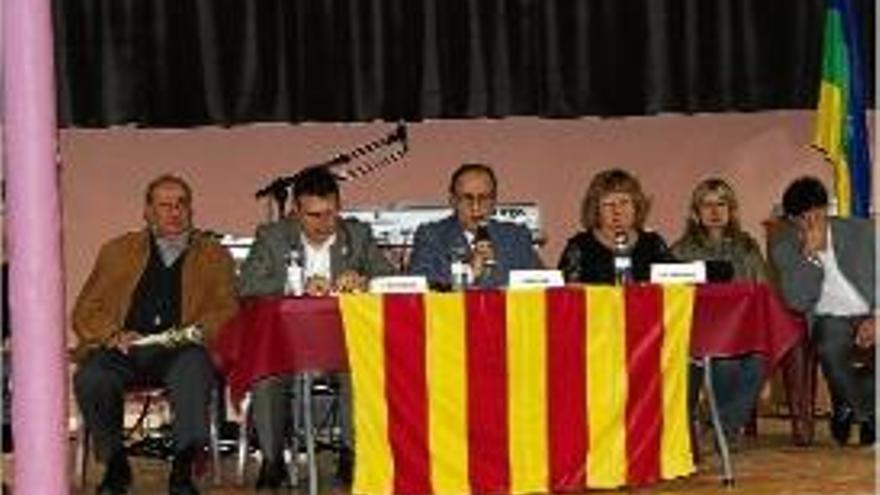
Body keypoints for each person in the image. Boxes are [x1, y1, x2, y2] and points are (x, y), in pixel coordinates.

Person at [73, 175, 238, 495]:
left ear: (191, 209)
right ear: (147, 212)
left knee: (194, 368)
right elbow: (85, 310)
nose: (175, 212)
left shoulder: (214, 255)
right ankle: (115, 463)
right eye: (165, 206)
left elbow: (227, 309)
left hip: (181, 348)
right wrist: (113, 334)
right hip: (124, 349)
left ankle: (182, 466)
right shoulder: (117, 251)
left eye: (181, 205)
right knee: (91, 377)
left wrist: (191, 333)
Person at [237, 165, 394, 490]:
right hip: (287, 343)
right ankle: (271, 459)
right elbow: (247, 286)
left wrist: (364, 281)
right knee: (267, 375)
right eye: (314, 215)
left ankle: (352, 454)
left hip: (344, 342)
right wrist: (296, 285)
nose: (325, 224)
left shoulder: (358, 235)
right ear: (296, 211)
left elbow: (390, 279)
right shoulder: (272, 236)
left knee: (363, 369)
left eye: (331, 213)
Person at [771, 176, 875, 446]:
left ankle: (847, 402)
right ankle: (869, 414)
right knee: (829, 347)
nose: (809, 223)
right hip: (830, 319)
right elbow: (797, 301)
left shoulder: (861, 231)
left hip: (871, 311)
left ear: (825, 209)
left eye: (814, 215)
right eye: (800, 219)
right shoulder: (784, 247)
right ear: (792, 220)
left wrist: (877, 317)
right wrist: (809, 257)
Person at [671, 177, 768, 445]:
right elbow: (672, 299)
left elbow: (762, 290)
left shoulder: (748, 246)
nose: (714, 211)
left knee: (759, 360)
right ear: (695, 213)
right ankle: (725, 429)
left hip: (742, 328)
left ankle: (721, 424)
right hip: (700, 330)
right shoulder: (681, 250)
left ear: (732, 210)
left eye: (721, 204)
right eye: (707, 205)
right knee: (725, 362)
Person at [408, 163, 541, 288]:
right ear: (453, 201)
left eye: (483, 198)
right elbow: (420, 286)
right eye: (467, 198)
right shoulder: (431, 236)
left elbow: (543, 283)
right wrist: (469, 273)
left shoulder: (517, 237)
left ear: (494, 201)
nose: (476, 207)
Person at [558, 168, 673, 283]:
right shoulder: (579, 246)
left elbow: (679, 286)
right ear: (596, 210)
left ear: (636, 206)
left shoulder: (653, 244)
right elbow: (566, 293)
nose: (617, 210)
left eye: (624, 202)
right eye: (608, 204)